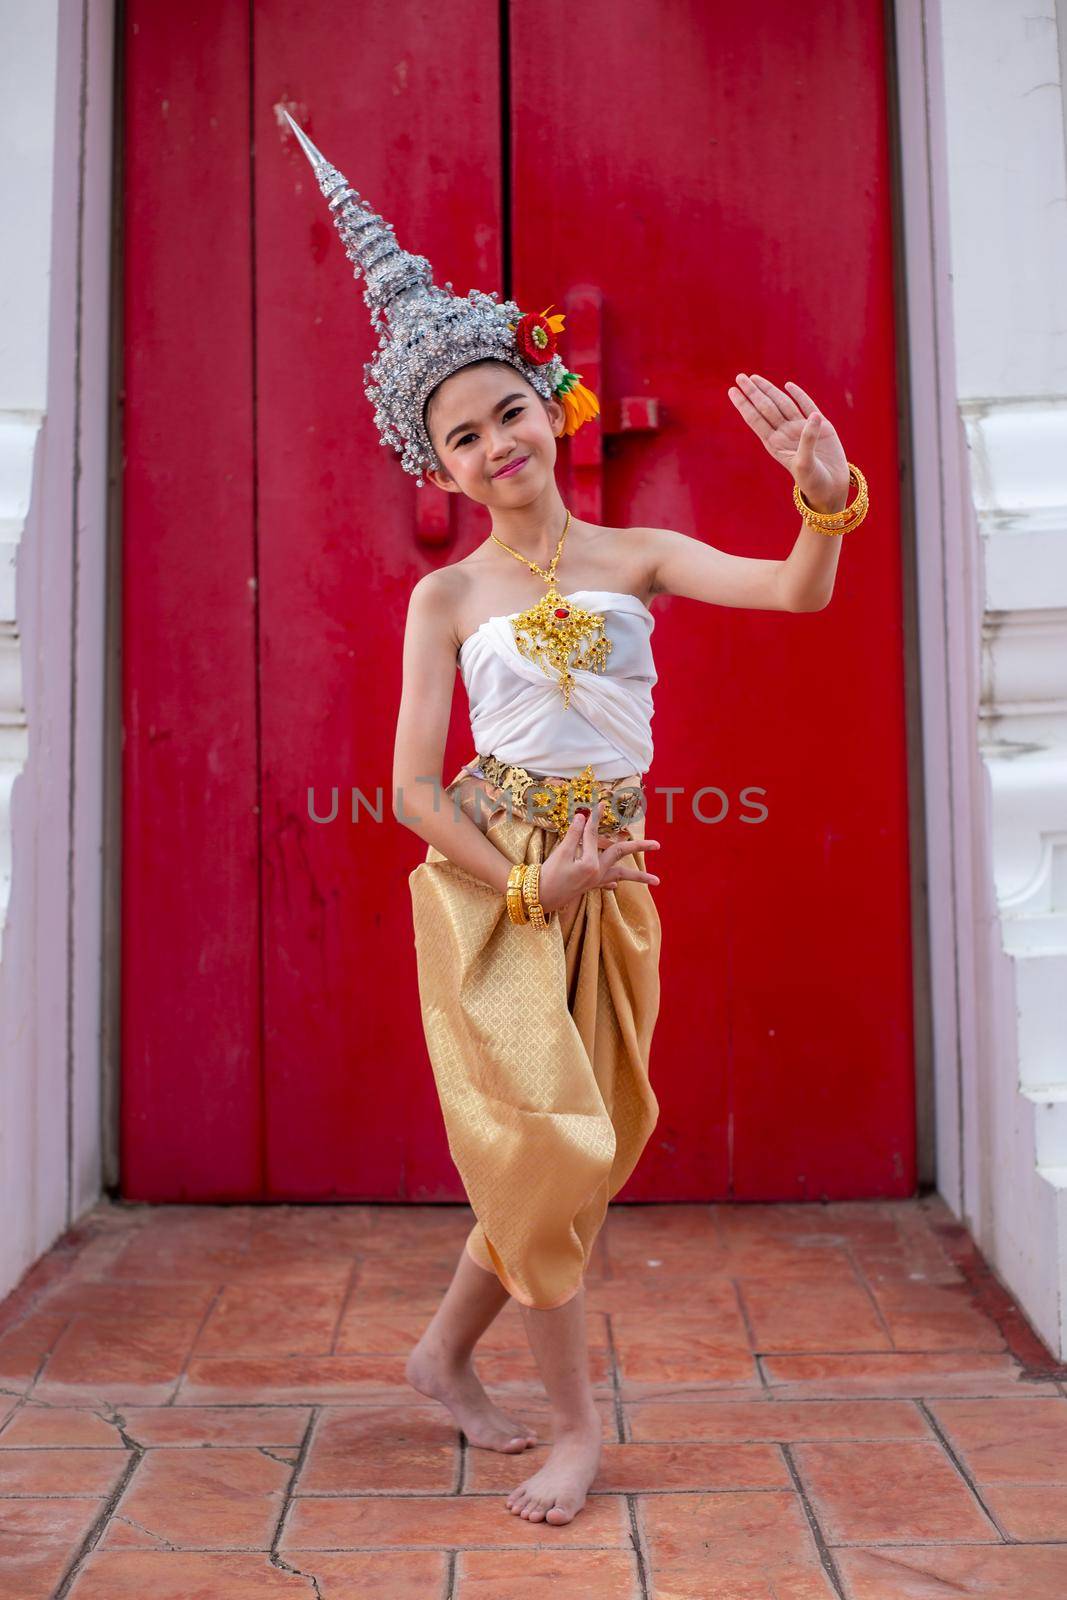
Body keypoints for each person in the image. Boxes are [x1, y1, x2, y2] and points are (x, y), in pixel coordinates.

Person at [283, 111, 868, 1526]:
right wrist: (532, 886)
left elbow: (797, 593)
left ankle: (440, 1353)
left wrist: (825, 496)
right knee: (543, 1146)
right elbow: (417, 790)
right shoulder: (447, 598)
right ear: (435, 468)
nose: (496, 445)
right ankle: (574, 1427)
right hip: (497, 880)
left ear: (553, 404)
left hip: (614, 871)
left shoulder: (642, 556)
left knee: (584, 1141)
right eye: (461, 437)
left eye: (508, 412)